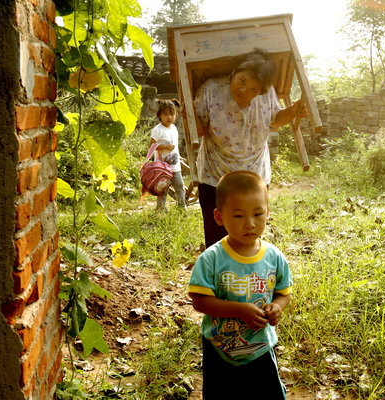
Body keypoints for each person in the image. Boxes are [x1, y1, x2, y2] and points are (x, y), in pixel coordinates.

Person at [188, 170, 292, 400]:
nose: (250, 224)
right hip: (219, 348)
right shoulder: (212, 259)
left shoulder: (274, 257)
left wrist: (277, 307)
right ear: (218, 217)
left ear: (267, 213)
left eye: (257, 214)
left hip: (261, 347)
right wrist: (238, 309)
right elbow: (199, 300)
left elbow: (284, 293)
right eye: (238, 216)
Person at [193, 48, 306, 247]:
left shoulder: (266, 93)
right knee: (216, 241)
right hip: (215, 176)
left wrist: (293, 111)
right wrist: (189, 115)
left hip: (254, 177)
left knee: (249, 237)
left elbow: (275, 120)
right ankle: (219, 277)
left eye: (254, 89)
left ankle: (248, 276)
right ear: (234, 72)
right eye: (242, 81)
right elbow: (199, 130)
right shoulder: (210, 90)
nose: (245, 91)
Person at [149, 99, 186, 210]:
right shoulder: (157, 130)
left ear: (176, 115)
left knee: (179, 186)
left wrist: (179, 156)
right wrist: (164, 147)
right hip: (162, 166)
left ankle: (181, 208)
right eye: (165, 114)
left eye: (172, 114)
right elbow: (151, 147)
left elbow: (174, 146)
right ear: (160, 115)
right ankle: (160, 209)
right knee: (163, 188)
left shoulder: (174, 128)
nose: (169, 117)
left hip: (175, 166)